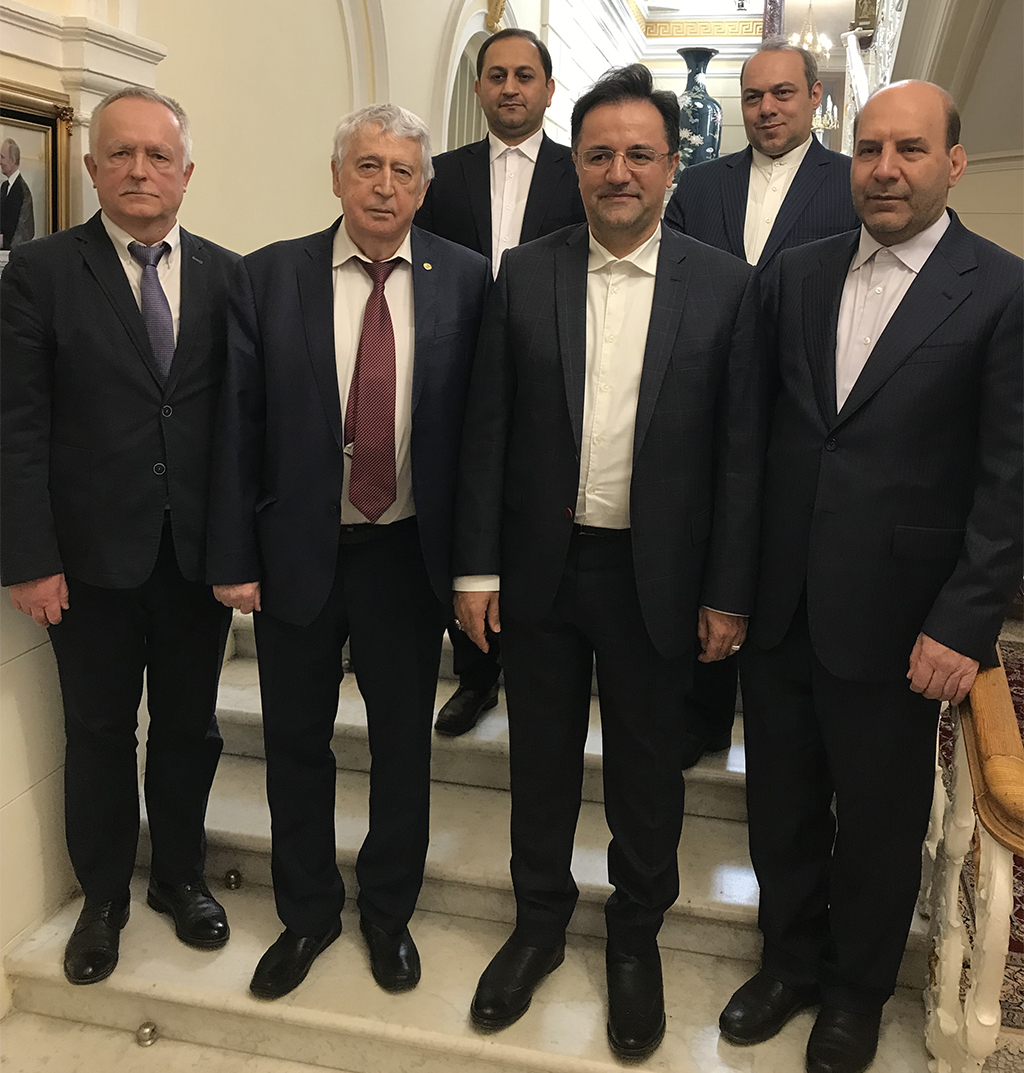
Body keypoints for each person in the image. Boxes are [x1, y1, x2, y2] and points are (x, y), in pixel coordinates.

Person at [453, 64, 765, 1060]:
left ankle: (634, 936)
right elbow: (487, 431)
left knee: (646, 772)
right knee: (539, 763)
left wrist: (728, 590)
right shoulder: (525, 272)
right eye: (598, 154)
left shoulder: (725, 287)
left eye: (638, 154)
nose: (617, 171)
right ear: (576, 167)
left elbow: (740, 455)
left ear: (672, 167)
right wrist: (474, 570)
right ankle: (538, 925)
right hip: (541, 571)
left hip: (657, 577)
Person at [721, 81, 1023, 1073]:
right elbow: (751, 440)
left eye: (909, 149)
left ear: (952, 163)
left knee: (881, 822)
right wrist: (730, 586)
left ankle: (854, 992)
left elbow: (1009, 478)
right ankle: (786, 963)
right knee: (781, 805)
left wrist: (964, 620)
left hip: (903, 621)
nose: (884, 169)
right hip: (781, 604)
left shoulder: (1000, 289)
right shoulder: (795, 274)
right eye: (867, 149)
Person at [207, 104, 490, 1001]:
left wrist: (476, 562)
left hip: (405, 554)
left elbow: (481, 433)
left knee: (402, 744)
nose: (384, 186)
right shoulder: (267, 276)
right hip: (297, 548)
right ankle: (307, 912)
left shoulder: (467, 279)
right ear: (336, 176)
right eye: (367, 166)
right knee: (296, 740)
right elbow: (235, 425)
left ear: (425, 187)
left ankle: (388, 912)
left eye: (404, 171)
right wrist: (232, 554)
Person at [0, 87, 237, 986]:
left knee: (190, 728)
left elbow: (239, 427)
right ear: (93, 166)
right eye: (122, 154)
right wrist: (30, 558)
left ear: (187, 172)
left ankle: (179, 875)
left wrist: (240, 552)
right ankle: (103, 897)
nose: (141, 170)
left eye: (158, 155)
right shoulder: (41, 274)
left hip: (195, 561)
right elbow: (16, 427)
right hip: (87, 564)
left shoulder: (227, 276)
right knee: (99, 731)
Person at [664, 38, 859, 770]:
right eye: (753, 96)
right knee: (710, 554)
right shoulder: (700, 186)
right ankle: (704, 714)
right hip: (706, 407)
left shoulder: (850, 183)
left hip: (805, 413)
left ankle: (783, 725)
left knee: (779, 565)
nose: (767, 108)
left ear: (814, 97)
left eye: (782, 93)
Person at [414, 27, 587, 738]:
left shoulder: (582, 170)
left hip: (552, 376)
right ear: (480, 87)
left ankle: (547, 660)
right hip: (459, 377)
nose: (510, 87)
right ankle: (477, 674)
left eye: (524, 75)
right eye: (497, 75)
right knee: (471, 515)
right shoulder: (438, 175)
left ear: (549, 89)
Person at [1, 137, 35, 249]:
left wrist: (5, 243)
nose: (0, 161)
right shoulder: (4, 187)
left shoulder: (23, 190)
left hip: (13, 253)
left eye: (2, 157)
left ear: (12, 160)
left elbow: (26, 230)